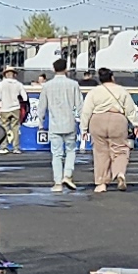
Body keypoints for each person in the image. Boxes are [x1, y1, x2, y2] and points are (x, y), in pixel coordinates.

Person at [84, 74, 137, 192]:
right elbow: (130, 109)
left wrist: (83, 128)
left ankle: (101, 183)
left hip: (97, 120)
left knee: (100, 152)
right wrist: (137, 124)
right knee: (121, 149)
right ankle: (119, 173)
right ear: (112, 77)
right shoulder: (122, 90)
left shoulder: (94, 92)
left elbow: (86, 111)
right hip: (118, 119)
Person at [39, 53, 84, 192]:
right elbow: (80, 105)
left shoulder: (47, 86)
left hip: (54, 124)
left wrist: (41, 124)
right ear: (66, 69)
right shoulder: (73, 84)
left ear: (53, 69)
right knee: (71, 150)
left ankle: (57, 182)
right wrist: (83, 123)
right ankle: (68, 174)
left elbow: (42, 107)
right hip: (69, 123)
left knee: (56, 154)